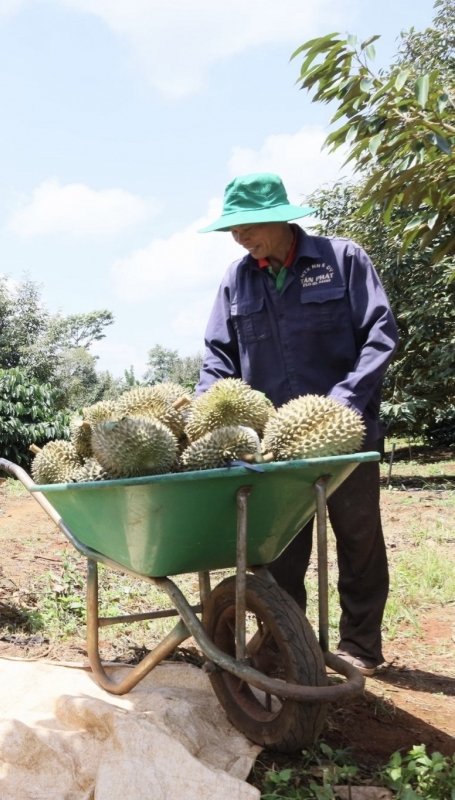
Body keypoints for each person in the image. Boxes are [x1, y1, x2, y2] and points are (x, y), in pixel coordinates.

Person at [196, 172, 399, 676]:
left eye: (248, 225)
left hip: (347, 434)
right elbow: (219, 357)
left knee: (358, 539)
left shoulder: (342, 260)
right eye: (232, 228)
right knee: (280, 549)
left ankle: (360, 646)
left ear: (281, 219)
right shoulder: (237, 279)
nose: (239, 236)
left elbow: (380, 334)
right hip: (274, 446)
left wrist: (345, 401)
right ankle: (288, 644)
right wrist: (204, 411)